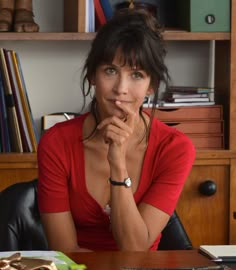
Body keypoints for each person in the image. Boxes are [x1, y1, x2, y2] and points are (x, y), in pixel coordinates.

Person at [37, 8, 195, 252]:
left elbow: (135, 251)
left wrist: (118, 163)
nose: (121, 88)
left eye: (136, 75)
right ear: (92, 75)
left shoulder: (175, 148)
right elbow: (65, 251)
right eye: (110, 71)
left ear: (151, 86)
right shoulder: (56, 142)